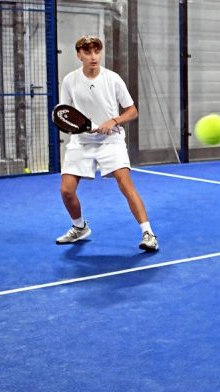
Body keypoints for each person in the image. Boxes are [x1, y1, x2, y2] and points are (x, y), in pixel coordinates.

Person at [55, 35, 158, 252]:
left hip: (111, 140)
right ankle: (79, 227)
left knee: (125, 182)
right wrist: (79, 128)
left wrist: (113, 120)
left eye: (97, 52)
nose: (93, 57)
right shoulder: (69, 81)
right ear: (79, 55)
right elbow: (64, 113)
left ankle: (148, 234)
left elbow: (132, 111)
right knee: (66, 190)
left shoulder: (113, 78)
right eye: (88, 52)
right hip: (81, 142)